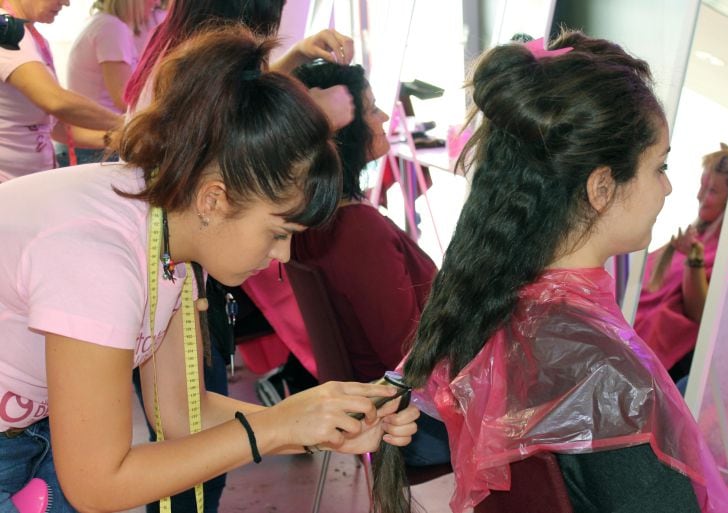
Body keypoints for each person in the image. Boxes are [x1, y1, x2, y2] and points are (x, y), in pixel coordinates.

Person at [0, 25, 418, 513]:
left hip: (31, 434)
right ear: (215, 199)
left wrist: (318, 426)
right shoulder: (98, 254)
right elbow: (97, 484)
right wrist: (280, 425)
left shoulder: (169, 226)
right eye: (279, 232)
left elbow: (180, 412)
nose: (282, 256)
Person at [372, 33, 728, 513]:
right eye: (660, 166)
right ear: (602, 187)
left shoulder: (485, 305)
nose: (669, 188)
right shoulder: (605, 374)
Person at [239, 62, 450, 467]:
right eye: (371, 109)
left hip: (376, 402)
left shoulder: (314, 221)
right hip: (409, 420)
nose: (385, 117)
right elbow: (406, 352)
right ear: (340, 132)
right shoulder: (357, 231)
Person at [635, 143, 728, 387]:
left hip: (668, 360)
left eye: (712, 190)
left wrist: (693, 260)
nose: (700, 196)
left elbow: (702, 313)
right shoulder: (697, 232)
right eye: (702, 186)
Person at [124, 0, 357, 129]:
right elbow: (239, 145)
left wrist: (298, 53)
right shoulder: (205, 62)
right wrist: (313, 116)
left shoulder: (178, 44)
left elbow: (240, 87)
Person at [0, 0, 123, 181]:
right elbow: (55, 100)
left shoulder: (31, 37)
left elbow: (55, 127)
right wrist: (125, 124)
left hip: (30, 182)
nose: (66, 3)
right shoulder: (5, 28)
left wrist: (118, 138)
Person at [58, 0, 155, 165]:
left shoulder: (104, 23)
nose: (157, 3)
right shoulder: (112, 28)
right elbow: (123, 98)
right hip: (97, 143)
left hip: (89, 139)